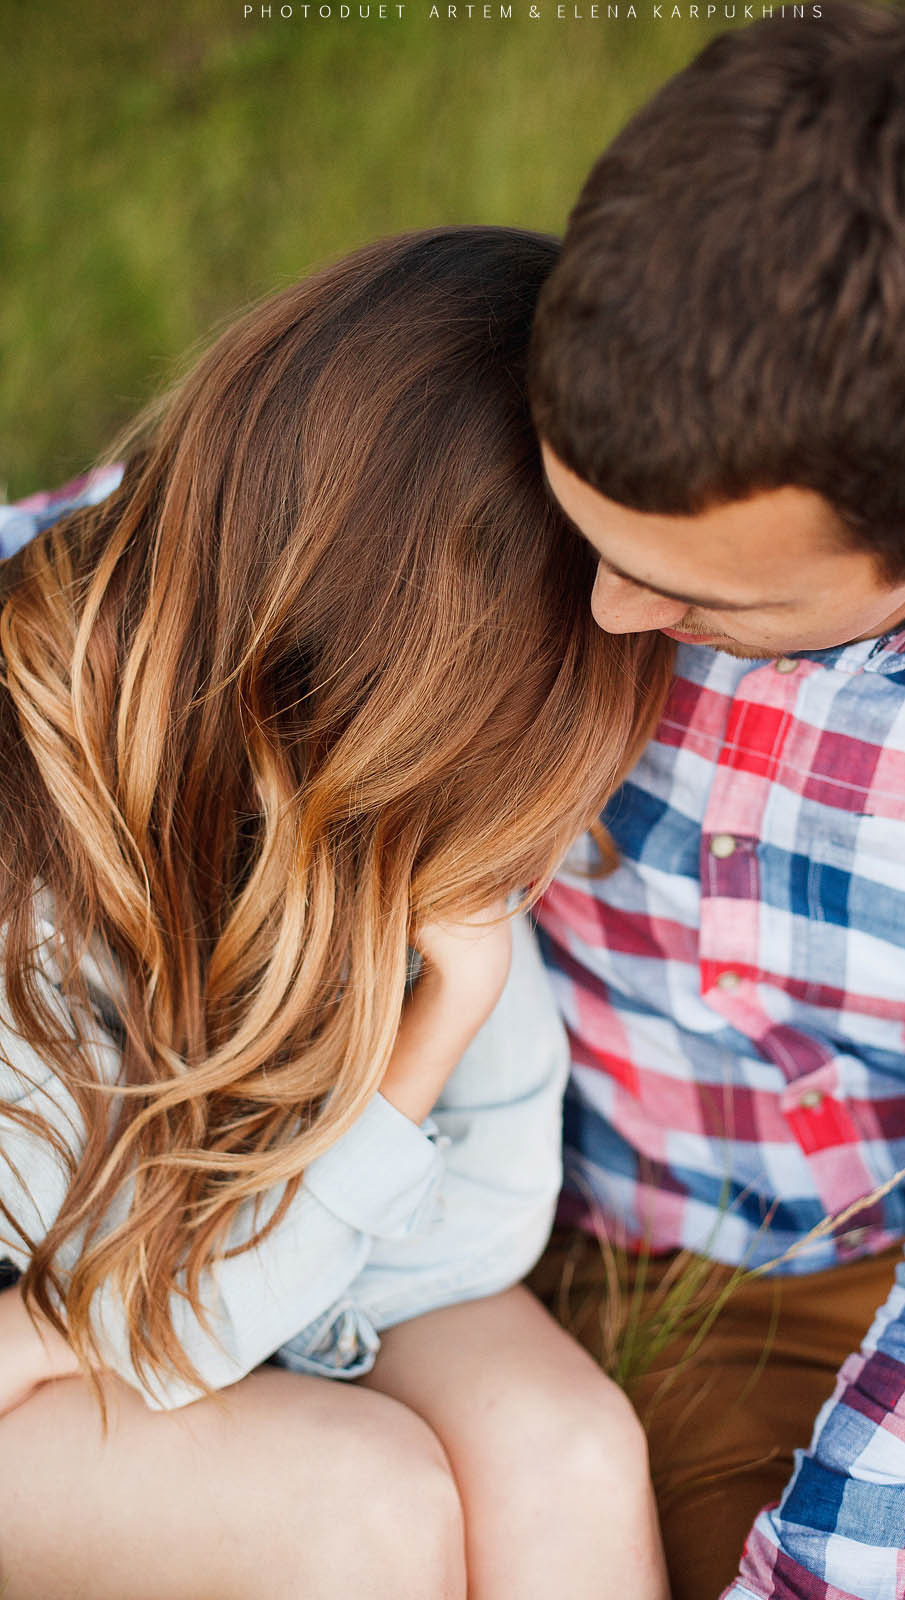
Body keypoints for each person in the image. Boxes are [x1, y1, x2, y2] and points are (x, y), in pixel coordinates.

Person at [0, 226, 673, 1599]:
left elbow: (488, 1216)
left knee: (569, 1454)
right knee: (361, 1512)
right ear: (400, 706)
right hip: (40, 1312)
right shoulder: (37, 828)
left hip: (174, 1280)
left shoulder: (380, 828)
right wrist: (418, 1053)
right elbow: (141, 1316)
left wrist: (421, 1046)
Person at [523, 5, 905, 1598]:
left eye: (700, 603)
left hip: (807, 1285)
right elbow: (138, 557)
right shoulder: (609, 382)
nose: (611, 615)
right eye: (583, 535)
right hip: (435, 1159)